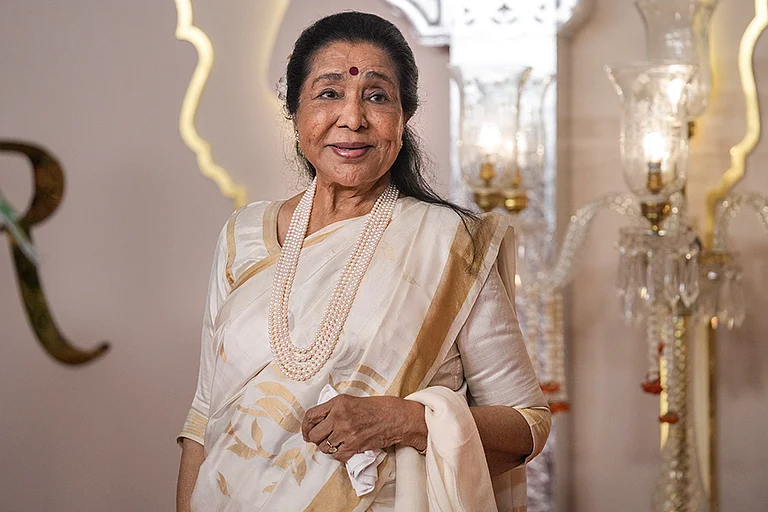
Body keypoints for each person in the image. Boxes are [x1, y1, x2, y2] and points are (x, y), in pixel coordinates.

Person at [176, 11, 550, 512]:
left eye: (376, 96)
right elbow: (204, 419)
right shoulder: (242, 235)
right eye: (329, 93)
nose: (352, 118)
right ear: (294, 111)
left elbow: (528, 425)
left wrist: (407, 421)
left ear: (404, 116)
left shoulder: (448, 243)